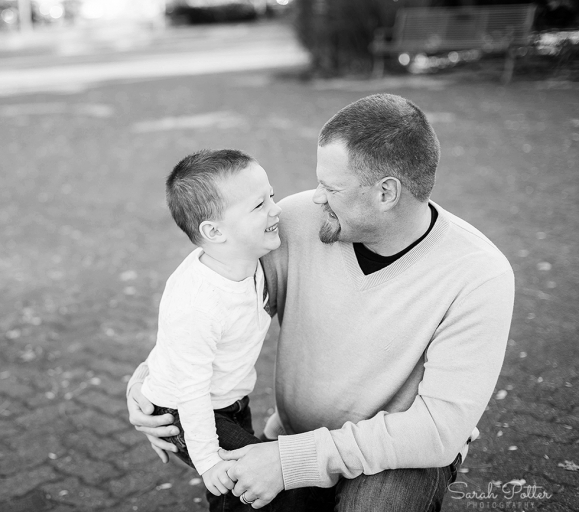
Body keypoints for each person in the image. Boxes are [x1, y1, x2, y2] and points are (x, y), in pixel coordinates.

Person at [127, 94, 515, 511]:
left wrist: (290, 461)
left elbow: (438, 431)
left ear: (386, 193)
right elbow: (208, 303)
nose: (315, 197)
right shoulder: (294, 223)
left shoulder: (479, 275)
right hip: (293, 436)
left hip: (398, 459)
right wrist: (148, 384)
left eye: (331, 187)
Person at [132, 149, 282, 507]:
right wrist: (207, 459)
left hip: (231, 400)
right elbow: (192, 391)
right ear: (214, 231)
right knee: (241, 483)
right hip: (185, 411)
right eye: (259, 205)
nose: (276, 209)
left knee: (239, 496)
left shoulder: (248, 255)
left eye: (271, 196)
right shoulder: (198, 302)